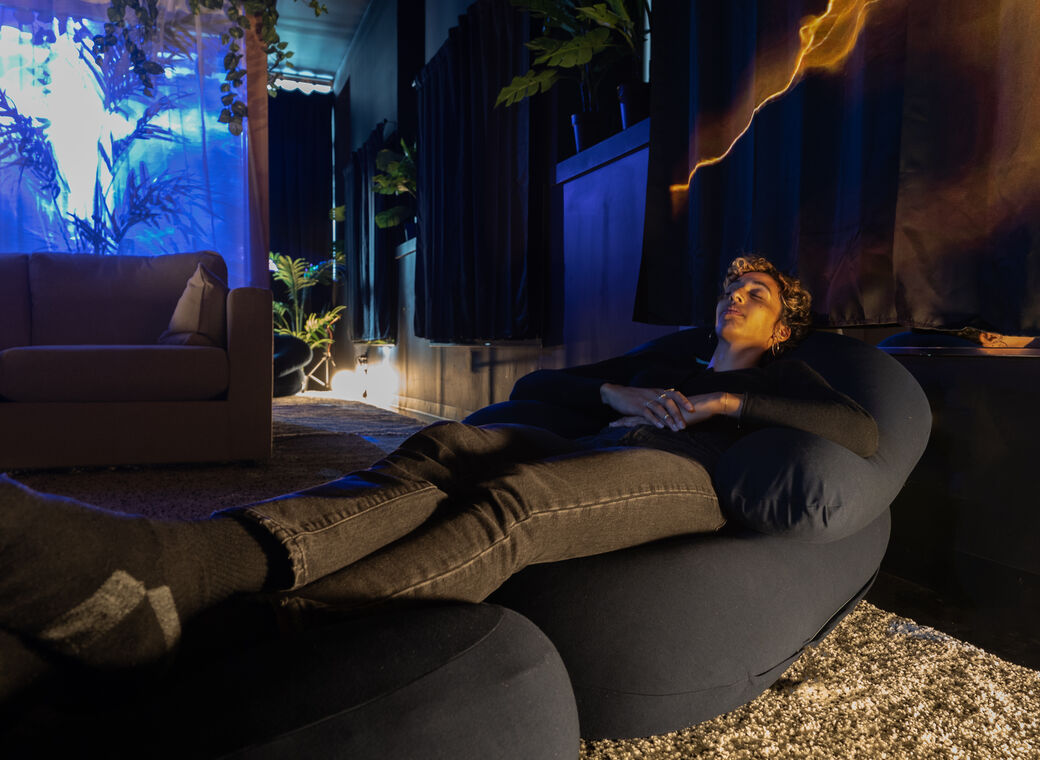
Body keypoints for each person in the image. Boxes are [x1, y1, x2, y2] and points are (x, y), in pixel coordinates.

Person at [0, 255, 877, 671]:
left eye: (753, 292)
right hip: (608, 440)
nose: (733, 294)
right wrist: (623, 399)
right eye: (726, 284)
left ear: (783, 325)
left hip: (692, 475)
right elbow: (556, 381)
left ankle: (265, 637)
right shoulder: (668, 363)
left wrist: (726, 404)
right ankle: (201, 562)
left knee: (517, 504)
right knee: (444, 448)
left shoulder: (791, 375)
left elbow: (860, 434)